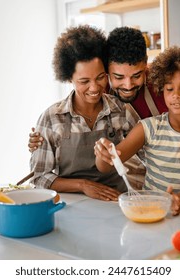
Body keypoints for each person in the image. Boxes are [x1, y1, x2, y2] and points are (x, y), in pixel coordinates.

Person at [28, 26, 180, 190]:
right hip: (95, 197)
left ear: (146, 67)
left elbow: (174, 150)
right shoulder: (73, 107)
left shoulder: (159, 91)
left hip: (137, 192)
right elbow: (43, 172)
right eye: (117, 77)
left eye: (136, 76)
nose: (127, 85)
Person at [95, 44, 180, 215]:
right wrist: (103, 154)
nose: (176, 95)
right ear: (162, 90)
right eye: (169, 89)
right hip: (151, 211)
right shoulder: (148, 127)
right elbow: (106, 165)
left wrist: (179, 200)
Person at [29, 25, 137, 201]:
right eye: (84, 81)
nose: (94, 88)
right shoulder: (52, 118)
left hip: (115, 202)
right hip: (70, 205)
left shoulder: (121, 110)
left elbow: (147, 155)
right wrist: (83, 185)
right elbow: (40, 177)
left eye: (100, 77)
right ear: (69, 78)